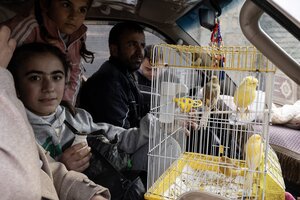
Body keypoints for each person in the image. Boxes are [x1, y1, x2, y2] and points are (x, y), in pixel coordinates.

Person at [0, 25, 109, 200]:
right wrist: (63, 163)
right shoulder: (18, 131)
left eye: (56, 77)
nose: (49, 88)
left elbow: (54, 173)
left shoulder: (75, 116)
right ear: (15, 86)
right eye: (35, 78)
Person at [2, 0, 94, 106]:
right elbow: (4, 75)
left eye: (82, 10)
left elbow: (75, 72)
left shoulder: (78, 37)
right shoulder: (28, 29)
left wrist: (66, 103)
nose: (74, 16)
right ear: (45, 4)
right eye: (66, 5)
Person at [79, 22, 145, 129]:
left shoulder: (124, 73)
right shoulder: (109, 84)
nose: (140, 52)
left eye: (142, 45)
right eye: (132, 45)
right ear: (114, 50)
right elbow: (120, 138)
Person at [135, 44, 180, 116]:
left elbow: (179, 107)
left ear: (163, 64)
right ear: (140, 64)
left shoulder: (172, 80)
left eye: (156, 69)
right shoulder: (132, 77)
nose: (152, 74)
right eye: (148, 69)